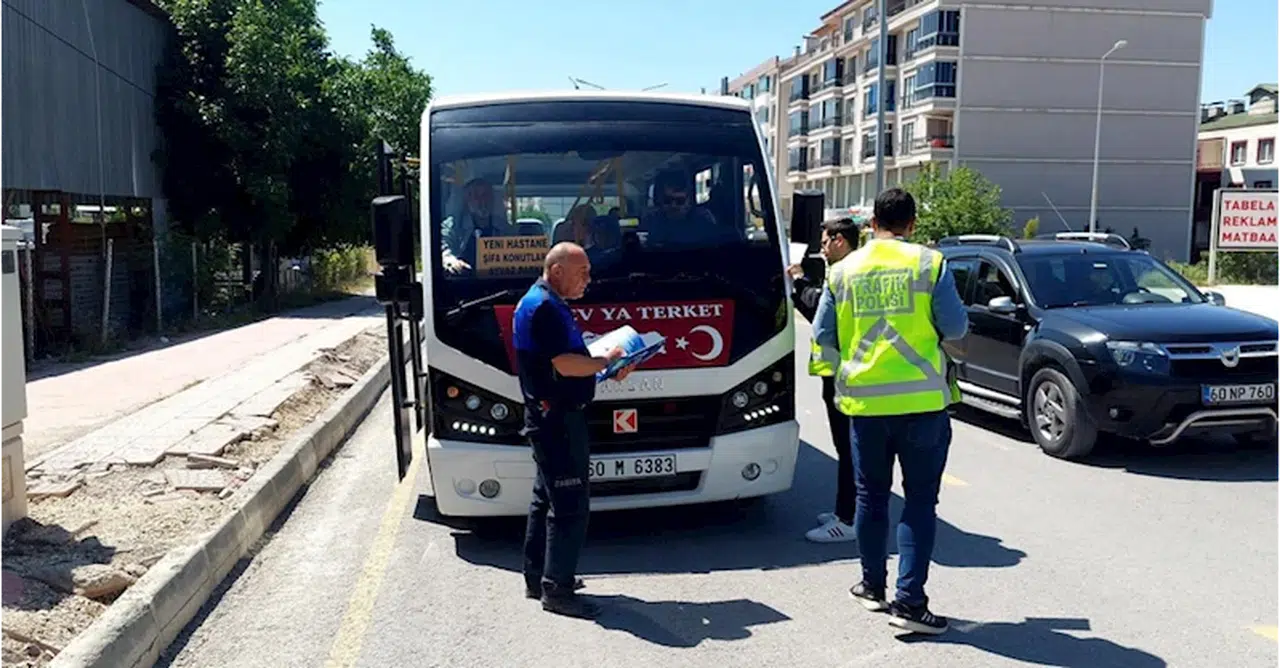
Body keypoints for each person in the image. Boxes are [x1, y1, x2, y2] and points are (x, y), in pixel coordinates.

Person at [811, 188, 968, 635]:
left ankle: (871, 586)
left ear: (870, 224)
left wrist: (844, 379)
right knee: (919, 501)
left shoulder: (843, 271)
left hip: (865, 405)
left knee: (870, 498)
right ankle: (910, 601)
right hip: (922, 404)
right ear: (912, 224)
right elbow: (956, 328)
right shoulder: (928, 263)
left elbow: (823, 336)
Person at [512, 242, 634, 619]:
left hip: (548, 416)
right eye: (583, 272)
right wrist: (605, 362)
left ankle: (539, 577)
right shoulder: (545, 307)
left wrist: (601, 364)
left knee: (544, 498)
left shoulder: (542, 301)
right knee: (569, 506)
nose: (589, 280)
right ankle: (558, 590)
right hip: (558, 419)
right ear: (558, 269)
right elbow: (564, 364)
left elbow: (565, 357)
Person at [787, 217, 859, 543]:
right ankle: (846, 509)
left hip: (846, 373)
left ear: (840, 240)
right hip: (841, 373)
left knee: (849, 448)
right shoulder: (846, 271)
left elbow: (822, 320)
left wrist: (800, 282)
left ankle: (848, 518)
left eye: (826, 241)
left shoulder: (847, 274)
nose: (822, 249)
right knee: (846, 448)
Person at [440, 177, 515, 274]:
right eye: (476, 196)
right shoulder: (454, 225)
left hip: (498, 279)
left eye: (485, 195)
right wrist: (451, 260)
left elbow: (515, 249)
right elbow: (443, 246)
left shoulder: (503, 227)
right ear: (467, 200)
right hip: (462, 282)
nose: (482, 201)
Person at [640, 170, 732, 248]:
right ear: (659, 200)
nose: (673, 205)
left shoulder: (703, 221)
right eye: (667, 200)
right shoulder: (650, 222)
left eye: (680, 201)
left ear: (689, 201)